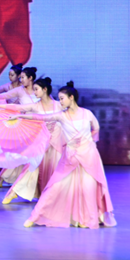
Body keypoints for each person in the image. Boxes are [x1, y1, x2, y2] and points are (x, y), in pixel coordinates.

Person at [12, 82, 116, 229]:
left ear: (71, 97)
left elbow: (96, 128)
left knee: (88, 189)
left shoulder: (87, 113)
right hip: (70, 158)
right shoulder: (61, 115)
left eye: (62, 98)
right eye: (59, 99)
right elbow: (41, 117)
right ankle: (35, 217)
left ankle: (86, 219)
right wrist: (20, 116)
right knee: (54, 187)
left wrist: (89, 142)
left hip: (89, 157)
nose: (60, 101)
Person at [0, 77, 63, 204]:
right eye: (34, 89)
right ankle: (14, 192)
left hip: (56, 142)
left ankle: (51, 195)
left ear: (45, 89)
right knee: (32, 167)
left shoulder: (58, 105)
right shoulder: (36, 106)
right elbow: (16, 107)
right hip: (41, 142)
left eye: (37, 89)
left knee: (53, 169)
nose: (35, 92)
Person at [0, 66, 39, 188]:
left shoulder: (38, 89)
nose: (21, 80)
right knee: (16, 153)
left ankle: (31, 182)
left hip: (38, 126)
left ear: (30, 78)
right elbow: (2, 96)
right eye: (20, 77)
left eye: (23, 77)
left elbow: (49, 103)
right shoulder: (20, 90)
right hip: (24, 126)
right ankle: (0, 180)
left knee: (36, 156)